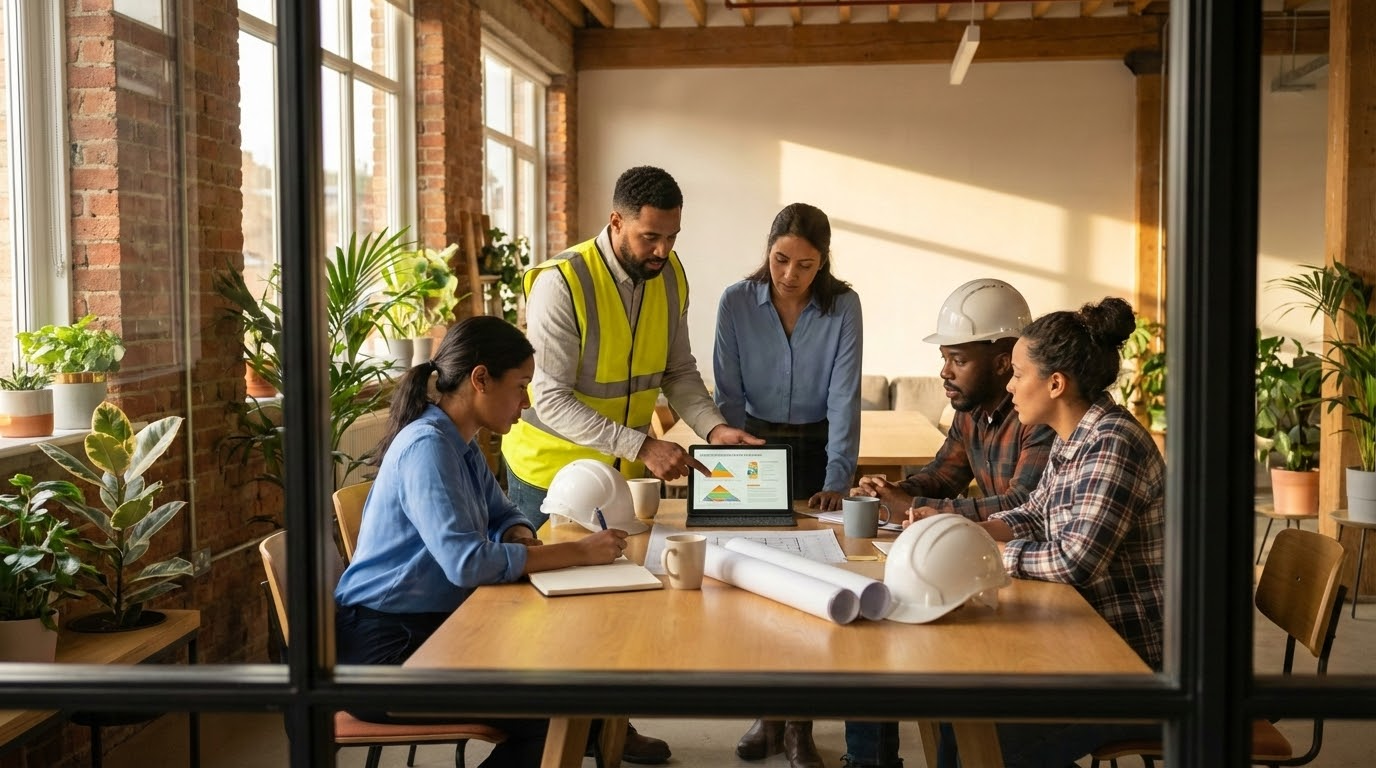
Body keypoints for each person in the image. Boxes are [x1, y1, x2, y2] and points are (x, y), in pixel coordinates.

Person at [500, 165, 760, 764]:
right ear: (616, 221)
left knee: (616, 607)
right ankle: (549, 738)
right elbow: (552, 397)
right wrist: (645, 445)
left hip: (618, 472)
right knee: (546, 615)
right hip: (546, 471)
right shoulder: (562, 283)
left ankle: (608, 726)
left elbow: (679, 372)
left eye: (672, 237)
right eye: (650, 237)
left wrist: (715, 429)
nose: (663, 250)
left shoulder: (669, 276)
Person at [334, 316, 627, 768]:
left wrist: (521, 537)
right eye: (521, 385)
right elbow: (466, 564)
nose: (525, 403)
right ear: (480, 379)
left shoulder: (462, 443)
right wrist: (578, 552)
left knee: (577, 697)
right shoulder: (427, 447)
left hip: (432, 629)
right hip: (383, 655)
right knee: (558, 717)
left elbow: (505, 514)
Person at [940, 297, 1166, 768]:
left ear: (1056, 383)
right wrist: (965, 531)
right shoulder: (1074, 438)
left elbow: (1074, 561)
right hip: (1084, 640)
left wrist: (992, 554)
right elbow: (1034, 512)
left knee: (985, 735)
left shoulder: (1112, 443)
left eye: (1018, 374)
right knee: (956, 706)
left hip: (1133, 666)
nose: (1009, 384)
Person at [841, 279, 1055, 768]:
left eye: (958, 359)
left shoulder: (1040, 413)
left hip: (1031, 588)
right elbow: (945, 475)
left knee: (894, 628)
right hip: (994, 570)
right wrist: (893, 492)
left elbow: (1025, 504)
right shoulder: (970, 411)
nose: (944, 371)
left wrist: (923, 507)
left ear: (1004, 361)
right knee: (872, 633)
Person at [714, 203, 860, 768]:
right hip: (753, 443)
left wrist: (837, 475)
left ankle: (800, 724)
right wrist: (738, 466)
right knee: (757, 579)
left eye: (805, 264)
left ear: (823, 262)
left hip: (820, 444)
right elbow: (727, 393)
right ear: (767, 248)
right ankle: (765, 715)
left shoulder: (844, 306)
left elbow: (846, 395)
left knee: (816, 579)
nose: (790, 275)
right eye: (780, 260)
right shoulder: (734, 301)